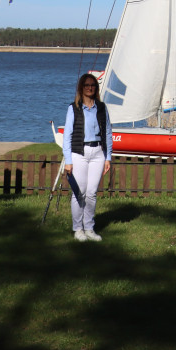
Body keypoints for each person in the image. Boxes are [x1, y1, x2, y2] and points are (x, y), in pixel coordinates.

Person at [62, 73, 112, 242]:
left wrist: (108, 157)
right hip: (79, 153)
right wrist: (68, 161)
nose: (90, 88)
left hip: (98, 153)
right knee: (79, 192)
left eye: (93, 85)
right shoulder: (73, 108)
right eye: (87, 85)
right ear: (81, 88)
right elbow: (67, 136)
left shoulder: (102, 108)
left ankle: (89, 228)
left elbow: (108, 133)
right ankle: (78, 229)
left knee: (91, 193)